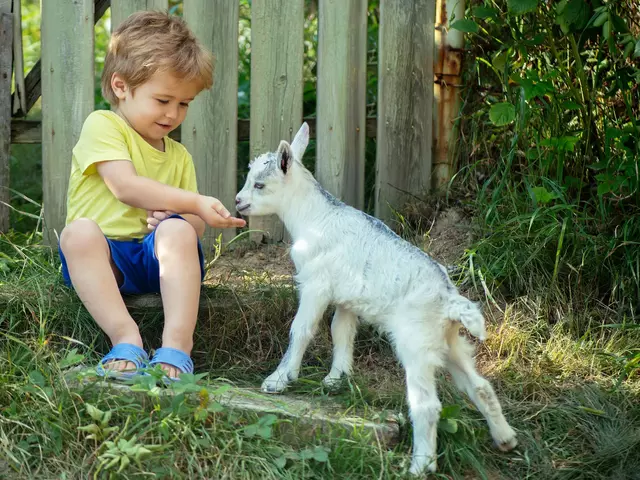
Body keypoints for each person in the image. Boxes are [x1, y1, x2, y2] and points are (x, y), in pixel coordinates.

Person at [58, 10, 245, 383]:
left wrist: (180, 219)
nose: (174, 114)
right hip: (105, 262)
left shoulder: (179, 157)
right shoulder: (104, 125)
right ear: (122, 86)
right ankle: (126, 338)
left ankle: (177, 346)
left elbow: (192, 228)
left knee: (177, 232)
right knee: (78, 234)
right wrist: (193, 204)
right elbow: (124, 186)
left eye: (184, 103)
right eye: (163, 100)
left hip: (154, 262)